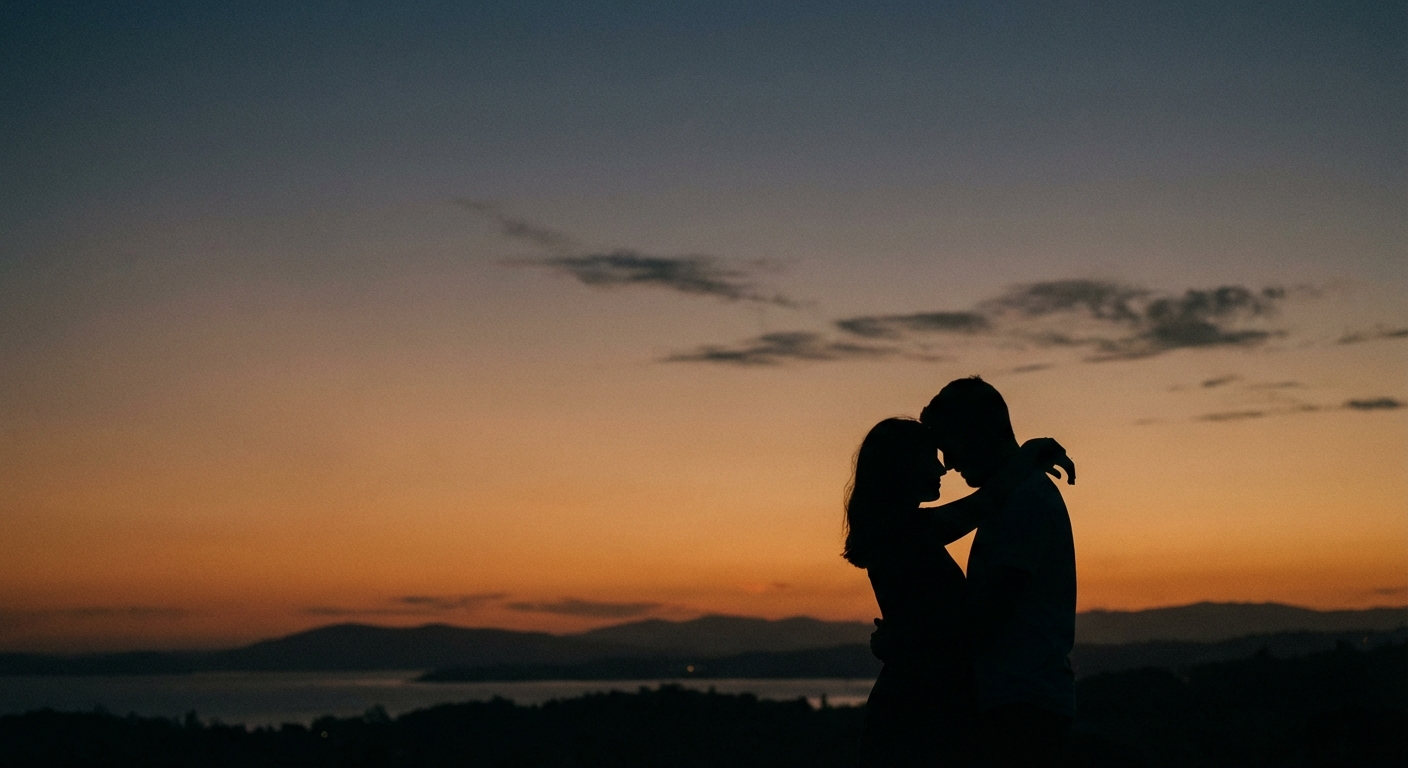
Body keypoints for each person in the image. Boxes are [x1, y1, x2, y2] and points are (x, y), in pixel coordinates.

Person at [843, 417, 1074, 767]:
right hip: (922, 706)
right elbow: (986, 503)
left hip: (920, 700)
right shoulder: (904, 531)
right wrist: (1028, 455)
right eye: (929, 457)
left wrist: (903, 637)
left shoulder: (895, 531)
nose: (942, 467)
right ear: (903, 466)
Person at [921, 377, 1077, 768]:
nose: (949, 463)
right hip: (1020, 704)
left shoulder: (1023, 501)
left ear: (977, 433)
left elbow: (990, 615)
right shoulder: (1012, 497)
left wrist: (907, 642)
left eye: (949, 446)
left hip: (1020, 710)